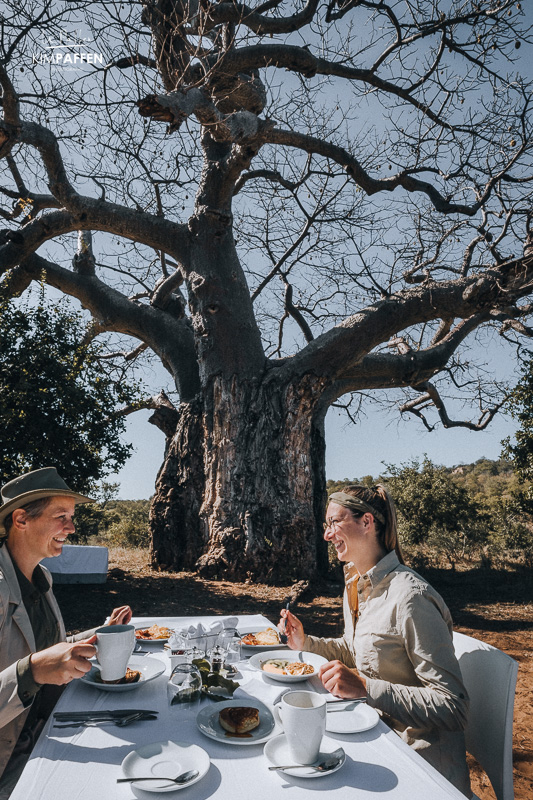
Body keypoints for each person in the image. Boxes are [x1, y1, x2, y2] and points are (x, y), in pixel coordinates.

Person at [279, 484, 471, 797]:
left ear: (367, 522)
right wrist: (305, 643)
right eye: (326, 525)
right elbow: (355, 650)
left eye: (334, 523)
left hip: (421, 770)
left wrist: (365, 688)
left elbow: (453, 707)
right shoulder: (355, 584)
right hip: (378, 740)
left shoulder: (412, 598)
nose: (327, 535)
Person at [0, 467, 133, 794]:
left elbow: (51, 649)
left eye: (71, 517)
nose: (72, 527)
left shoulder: (42, 577)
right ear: (21, 520)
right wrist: (30, 673)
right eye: (61, 516)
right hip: (11, 763)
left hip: (53, 726)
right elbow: (36, 665)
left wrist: (101, 633)